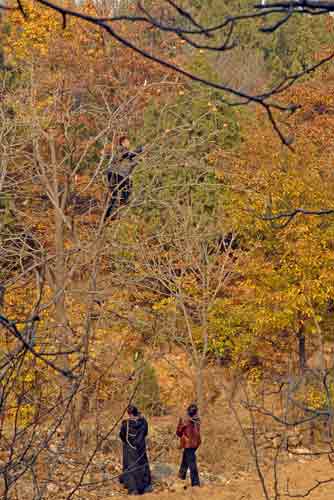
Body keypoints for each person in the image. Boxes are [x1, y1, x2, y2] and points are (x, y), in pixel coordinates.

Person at [105, 136, 143, 220]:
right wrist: (140, 149)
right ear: (122, 143)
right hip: (117, 174)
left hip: (118, 174)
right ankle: (121, 204)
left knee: (114, 196)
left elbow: (129, 163)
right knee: (127, 188)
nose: (129, 143)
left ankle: (108, 216)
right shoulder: (120, 149)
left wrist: (137, 162)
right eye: (127, 142)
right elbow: (127, 154)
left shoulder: (126, 156)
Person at [119, 405, 152, 495]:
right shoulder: (144, 422)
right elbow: (145, 433)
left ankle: (133, 489)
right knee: (142, 464)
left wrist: (129, 442)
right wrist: (138, 441)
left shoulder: (125, 424)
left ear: (129, 414)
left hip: (129, 448)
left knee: (131, 466)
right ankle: (144, 486)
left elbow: (122, 436)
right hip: (141, 447)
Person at [176, 403, 201, 487]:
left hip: (188, 444)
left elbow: (178, 433)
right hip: (196, 443)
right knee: (186, 458)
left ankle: (195, 483)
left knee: (192, 463)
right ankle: (181, 476)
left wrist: (182, 425)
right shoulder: (197, 419)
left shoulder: (184, 420)